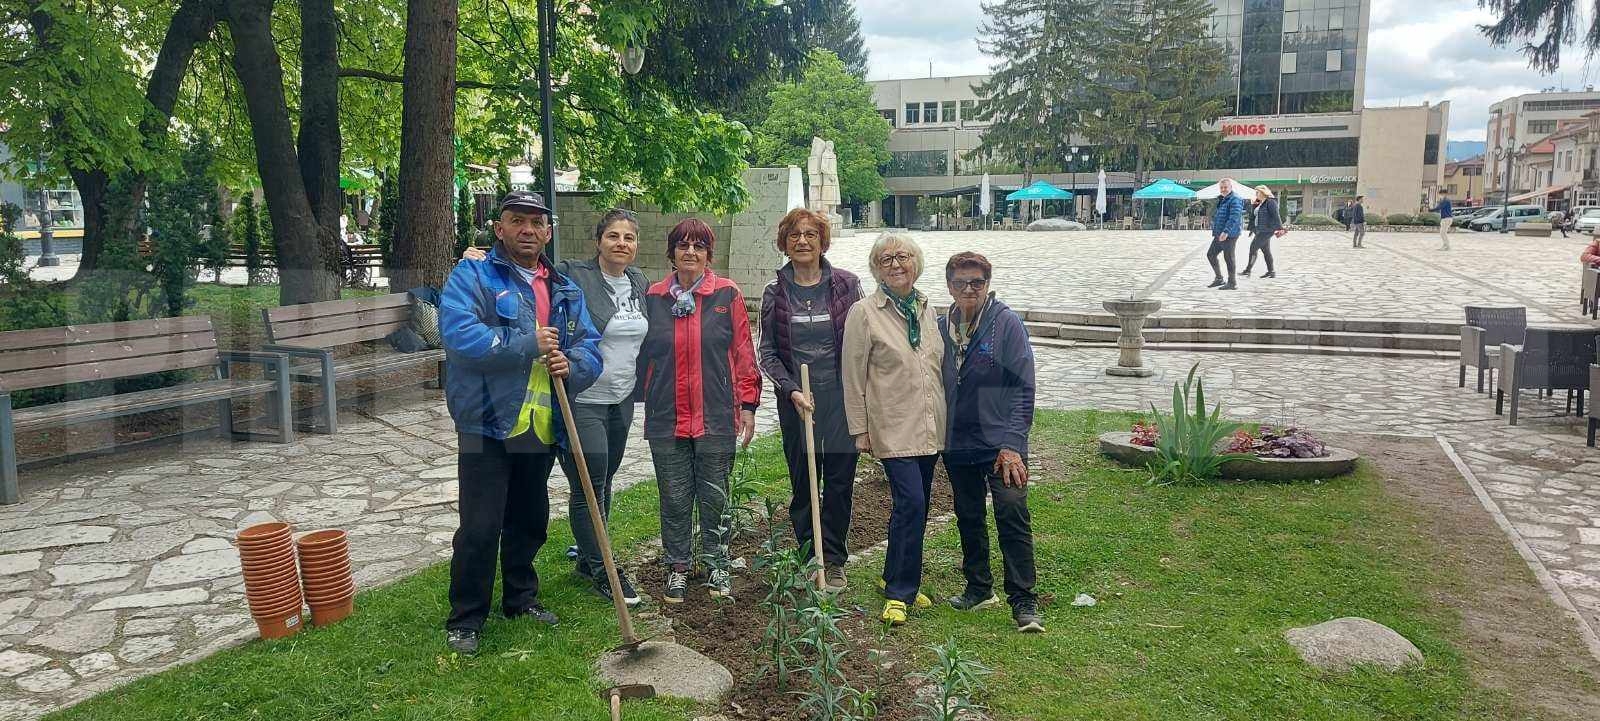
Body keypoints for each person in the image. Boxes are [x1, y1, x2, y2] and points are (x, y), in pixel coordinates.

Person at [438, 190, 603, 656]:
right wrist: (525, 341)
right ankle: (467, 617)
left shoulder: (565, 287)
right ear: (500, 228)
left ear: (548, 231)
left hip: (541, 421)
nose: (528, 230)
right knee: (480, 525)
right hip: (487, 423)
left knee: (529, 520)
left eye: (536, 222)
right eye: (518, 221)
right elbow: (458, 334)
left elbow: (590, 345)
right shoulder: (473, 275)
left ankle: (520, 599)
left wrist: (575, 365)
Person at [465, 209, 650, 606]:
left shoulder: (638, 282)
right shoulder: (574, 274)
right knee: (588, 485)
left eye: (629, 238)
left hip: (621, 398)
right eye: (613, 236)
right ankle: (603, 569)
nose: (621, 243)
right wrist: (478, 258)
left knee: (604, 480)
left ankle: (586, 557)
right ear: (598, 241)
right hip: (581, 398)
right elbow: (527, 268)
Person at [637, 218, 760, 604]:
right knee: (673, 496)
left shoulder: (727, 295)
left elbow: (743, 351)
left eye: (699, 246)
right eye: (682, 245)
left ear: (709, 253)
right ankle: (676, 566)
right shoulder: (654, 296)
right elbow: (639, 354)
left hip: (716, 414)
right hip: (666, 416)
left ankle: (716, 561)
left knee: (714, 495)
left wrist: (748, 404)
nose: (690, 252)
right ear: (671, 252)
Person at [842, 232, 946, 626]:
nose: (896, 264)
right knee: (912, 503)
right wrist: (860, 429)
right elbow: (852, 376)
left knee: (915, 508)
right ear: (876, 269)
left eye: (903, 257)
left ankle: (898, 576)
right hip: (892, 425)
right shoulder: (864, 312)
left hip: (929, 424)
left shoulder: (925, 307)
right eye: (886, 259)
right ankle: (898, 593)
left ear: (915, 263)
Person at [758, 208, 864, 591]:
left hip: (838, 398)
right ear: (785, 243)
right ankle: (809, 554)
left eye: (810, 235)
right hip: (797, 400)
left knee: (838, 480)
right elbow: (766, 352)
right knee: (804, 482)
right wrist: (792, 390)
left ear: (822, 241)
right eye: (794, 235)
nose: (802, 241)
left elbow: (862, 341)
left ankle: (833, 559)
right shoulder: (775, 293)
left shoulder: (847, 286)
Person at [937, 252, 1042, 633]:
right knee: (968, 515)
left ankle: (1024, 600)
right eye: (961, 282)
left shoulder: (1005, 323)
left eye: (976, 282)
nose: (969, 289)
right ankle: (979, 587)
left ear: (987, 284)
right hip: (957, 440)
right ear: (949, 285)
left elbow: (1023, 387)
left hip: (1001, 443)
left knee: (1011, 513)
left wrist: (1012, 444)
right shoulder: (939, 325)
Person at [1206, 178, 1246, 290]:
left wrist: (1226, 231)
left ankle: (1232, 283)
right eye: (1221, 188)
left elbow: (1234, 217)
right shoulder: (1223, 199)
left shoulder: (1235, 199)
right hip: (1219, 233)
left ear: (1231, 188)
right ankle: (1219, 278)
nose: (1223, 189)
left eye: (1225, 187)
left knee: (1229, 257)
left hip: (1229, 234)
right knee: (1211, 254)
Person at [1242, 185, 1281, 279]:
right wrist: (1254, 205)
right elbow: (1255, 216)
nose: (1256, 194)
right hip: (1260, 230)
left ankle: (1248, 270)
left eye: (1257, 192)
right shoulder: (1261, 203)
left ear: (1263, 192)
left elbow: (1276, 215)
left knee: (1253, 248)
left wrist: (1280, 228)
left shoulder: (1271, 202)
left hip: (1267, 230)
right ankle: (1271, 272)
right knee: (1266, 251)